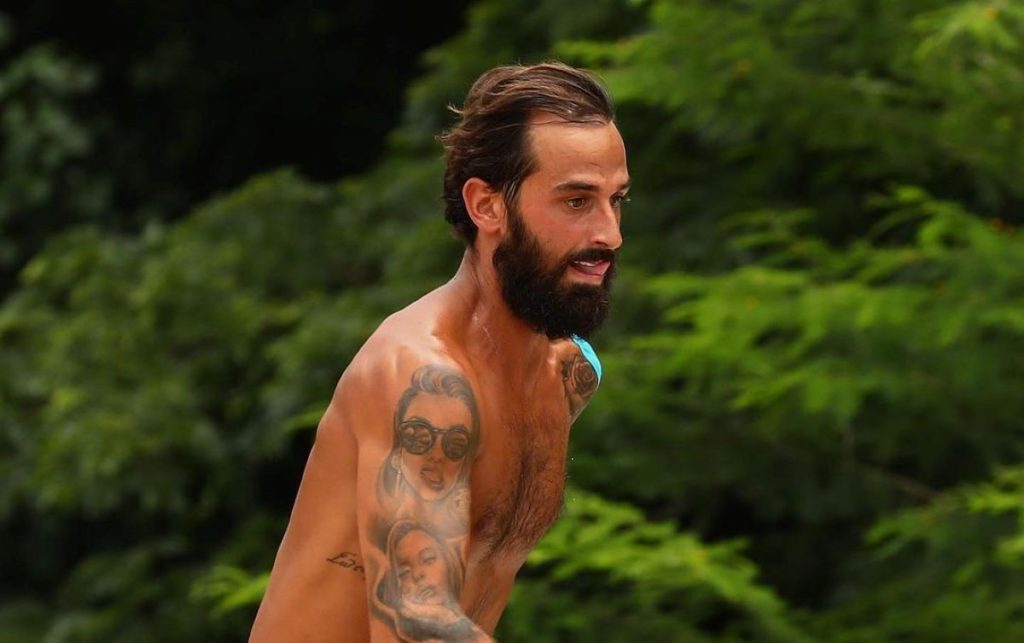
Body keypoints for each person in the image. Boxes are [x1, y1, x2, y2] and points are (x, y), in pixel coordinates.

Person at [250, 61, 629, 642]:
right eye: (576, 202)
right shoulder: (425, 379)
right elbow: (415, 622)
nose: (610, 234)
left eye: (616, 200)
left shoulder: (570, 374)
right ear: (487, 206)